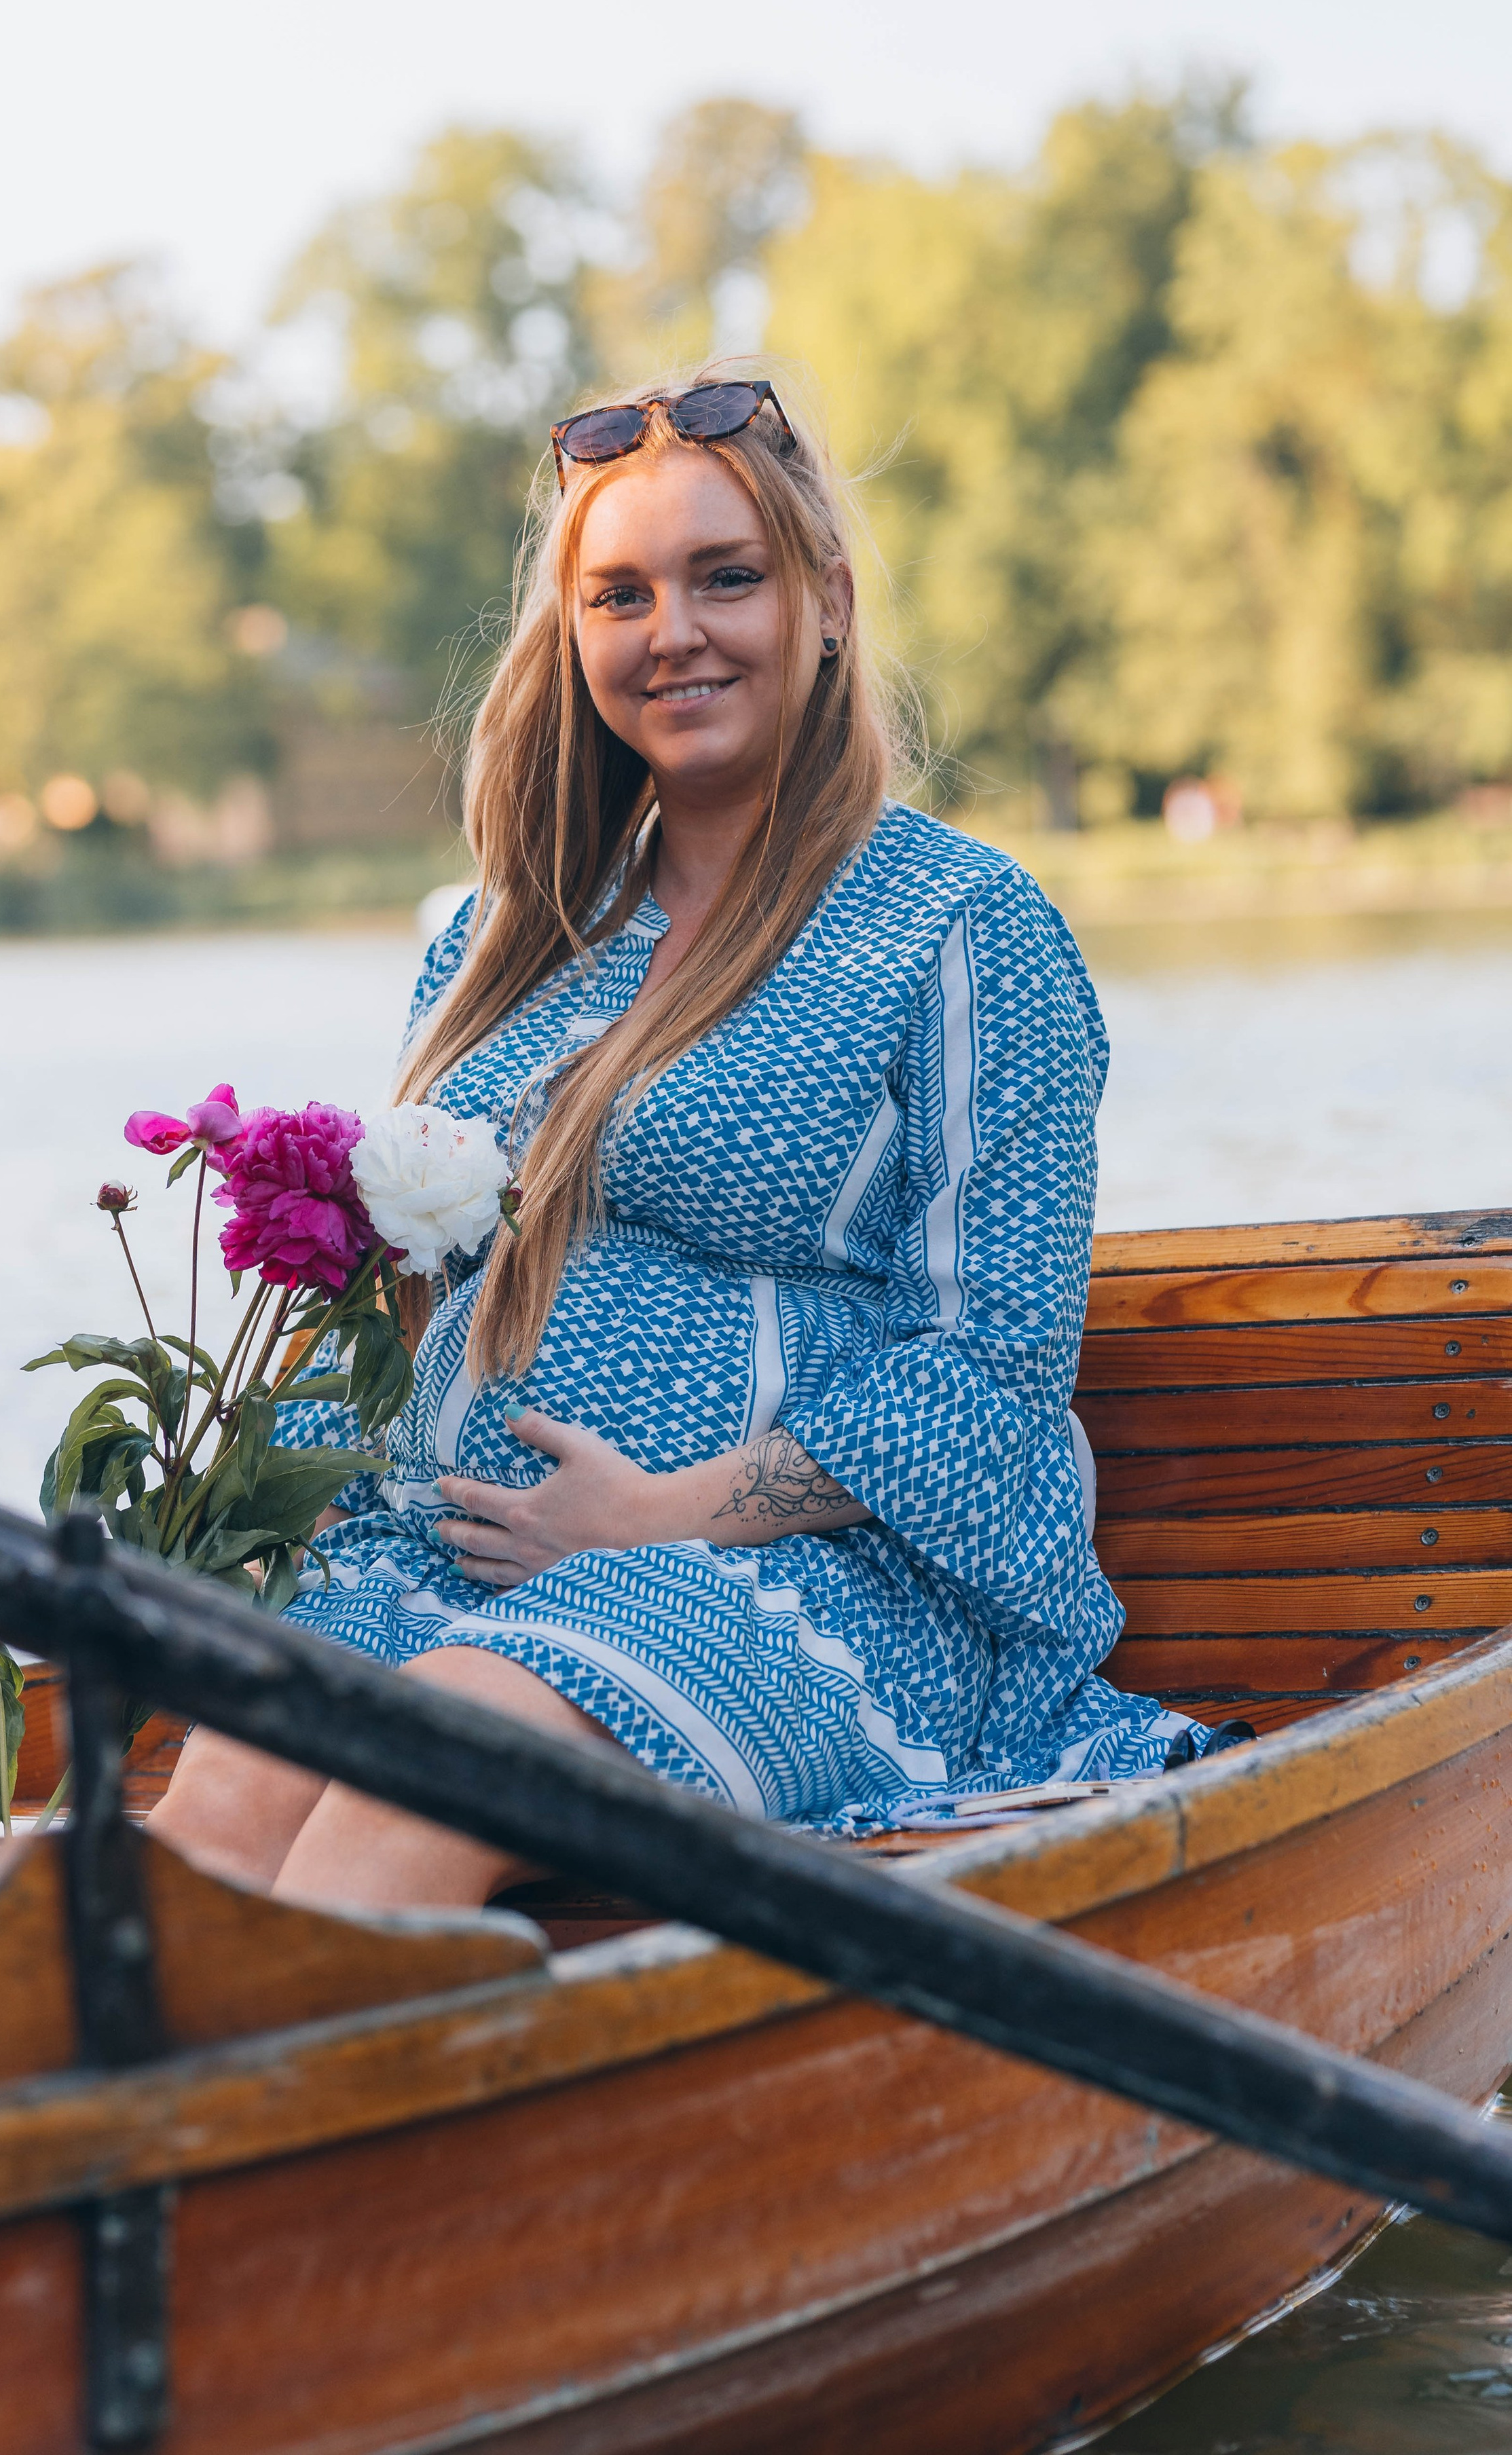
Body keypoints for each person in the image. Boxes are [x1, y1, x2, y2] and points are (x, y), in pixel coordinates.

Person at [149, 368, 1203, 1915]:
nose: (673, 633)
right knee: (205, 1829)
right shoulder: (502, 939)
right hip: (438, 1572)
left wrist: (659, 1509)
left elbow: (990, 1374)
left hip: (810, 1591)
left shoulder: (959, 930)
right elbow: (404, 1292)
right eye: (619, 593)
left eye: (727, 578)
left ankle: (297, 2153)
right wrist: (230, 1510)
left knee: (413, 1790)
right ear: (573, 636)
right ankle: (125, 2161)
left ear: (825, 601)